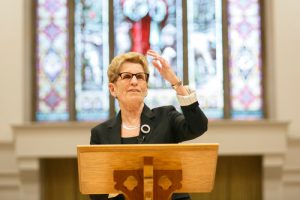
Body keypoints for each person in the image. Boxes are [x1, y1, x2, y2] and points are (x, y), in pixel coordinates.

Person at [90, 50, 208, 200]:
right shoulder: (100, 134)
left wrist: (176, 83)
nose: (134, 81)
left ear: (146, 88)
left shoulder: (166, 117)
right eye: (126, 76)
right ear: (113, 89)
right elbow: (96, 192)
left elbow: (198, 126)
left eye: (140, 77)